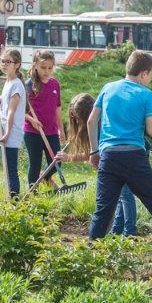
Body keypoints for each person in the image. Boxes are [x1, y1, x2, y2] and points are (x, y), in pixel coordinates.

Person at [87, 51, 152, 242]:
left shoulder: (108, 88)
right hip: (134, 157)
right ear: (144, 73)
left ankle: (90, 251)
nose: (150, 79)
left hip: (109, 156)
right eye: (151, 74)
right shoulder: (146, 94)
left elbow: (91, 121)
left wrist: (94, 151)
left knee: (103, 209)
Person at [56, 92, 137, 230]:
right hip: (116, 159)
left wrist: (69, 158)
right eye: (74, 118)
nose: (76, 121)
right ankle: (117, 231)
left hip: (125, 156)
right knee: (119, 196)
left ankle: (129, 231)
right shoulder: (96, 120)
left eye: (78, 118)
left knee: (125, 194)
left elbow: (94, 154)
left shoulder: (101, 125)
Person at [23, 50, 64, 191]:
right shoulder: (29, 85)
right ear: (35, 66)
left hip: (51, 131)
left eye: (50, 68)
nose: (47, 71)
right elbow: (19, 110)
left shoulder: (55, 84)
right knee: (35, 164)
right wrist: (31, 120)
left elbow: (58, 108)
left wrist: (61, 130)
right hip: (32, 132)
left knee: (57, 161)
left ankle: (45, 178)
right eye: (43, 67)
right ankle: (32, 194)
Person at [0, 48, 27, 198]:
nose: (4, 64)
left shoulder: (17, 84)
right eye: (2, 61)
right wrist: (0, 99)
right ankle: (10, 198)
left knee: (11, 170)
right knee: (7, 169)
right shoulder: (8, 82)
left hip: (11, 133)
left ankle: (14, 200)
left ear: (17, 65)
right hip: (4, 130)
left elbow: (11, 111)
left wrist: (7, 132)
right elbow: (7, 104)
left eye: (8, 62)